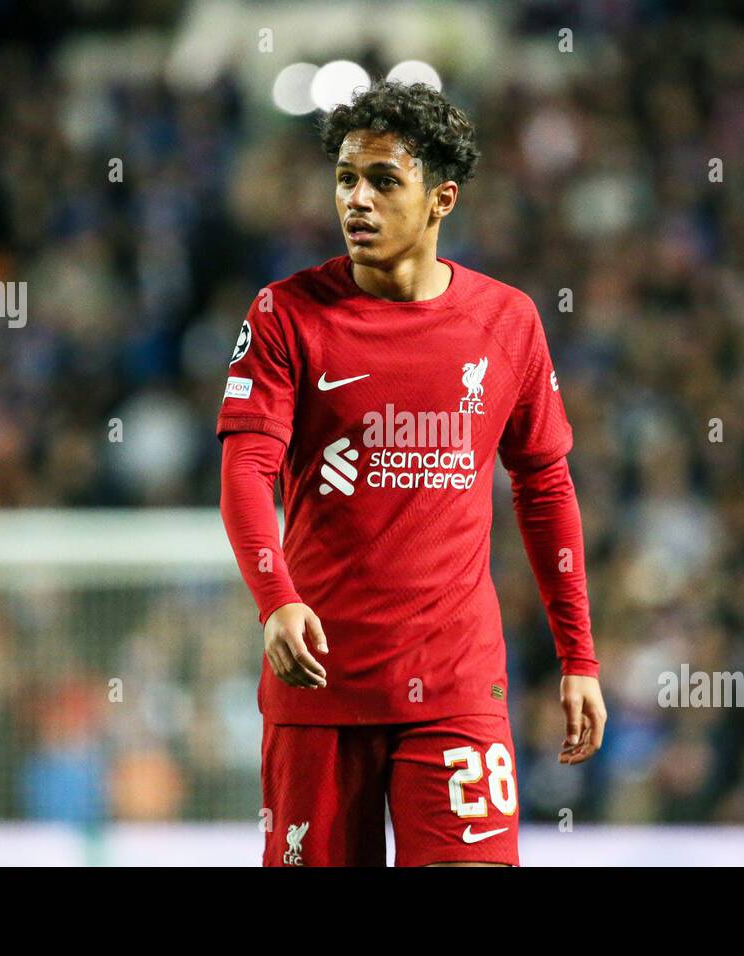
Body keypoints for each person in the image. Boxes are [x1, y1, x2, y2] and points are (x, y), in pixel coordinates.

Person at [217, 80, 605, 866]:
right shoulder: (283, 315)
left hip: (455, 685)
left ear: (441, 199)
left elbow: (545, 487)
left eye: (384, 181)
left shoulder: (507, 322)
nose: (356, 199)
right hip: (322, 684)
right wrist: (275, 602)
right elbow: (245, 471)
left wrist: (579, 656)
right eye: (345, 179)